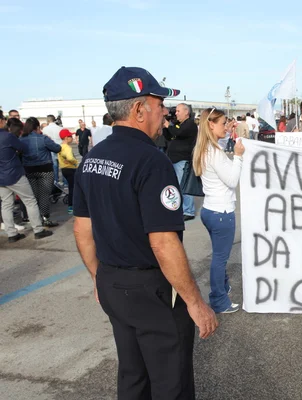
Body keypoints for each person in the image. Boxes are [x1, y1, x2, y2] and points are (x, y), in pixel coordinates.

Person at [73, 66, 218, 398]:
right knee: (171, 380)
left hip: (113, 282)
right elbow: (164, 241)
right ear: (139, 110)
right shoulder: (152, 161)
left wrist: (99, 277)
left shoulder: (91, 159)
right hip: (151, 289)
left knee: (133, 373)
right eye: (159, 104)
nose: (164, 112)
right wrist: (195, 302)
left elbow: (82, 228)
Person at [192, 107, 244, 314]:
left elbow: (219, 147)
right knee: (220, 259)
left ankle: (222, 288)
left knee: (218, 256)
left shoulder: (205, 149)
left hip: (210, 210)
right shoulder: (214, 153)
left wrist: (227, 131)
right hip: (222, 213)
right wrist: (238, 157)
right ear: (211, 125)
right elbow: (232, 180)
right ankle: (219, 300)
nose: (226, 126)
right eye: (223, 123)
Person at [0, 112, 53, 242]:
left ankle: (11, 234)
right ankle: (38, 230)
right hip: (14, 174)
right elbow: (22, 148)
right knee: (30, 201)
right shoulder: (7, 136)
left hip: (1, 176)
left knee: (6, 205)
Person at [20, 117, 61, 227]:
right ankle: (45, 218)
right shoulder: (43, 138)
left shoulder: (21, 139)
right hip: (45, 170)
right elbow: (57, 148)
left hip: (29, 170)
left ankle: (36, 221)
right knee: (44, 195)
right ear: (37, 127)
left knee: (33, 196)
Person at [163, 103, 198, 221]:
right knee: (177, 185)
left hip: (182, 159)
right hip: (174, 159)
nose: (176, 113)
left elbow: (179, 133)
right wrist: (165, 127)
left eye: (178, 111)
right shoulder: (179, 124)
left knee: (184, 185)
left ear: (186, 112)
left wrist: (168, 125)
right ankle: (182, 208)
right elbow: (170, 137)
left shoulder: (190, 125)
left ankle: (188, 210)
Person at [57, 129, 78, 214]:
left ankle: (71, 205)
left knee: (71, 186)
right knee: (73, 188)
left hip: (64, 169)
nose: (72, 137)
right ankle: (71, 206)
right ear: (66, 138)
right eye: (70, 136)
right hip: (70, 168)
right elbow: (70, 158)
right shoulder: (68, 148)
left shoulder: (60, 146)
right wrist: (75, 162)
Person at [43, 115, 64, 186]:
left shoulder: (45, 129)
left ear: (48, 120)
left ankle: (56, 181)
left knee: (54, 166)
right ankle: (65, 182)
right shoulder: (60, 128)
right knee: (63, 165)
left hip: (51, 148)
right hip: (61, 147)